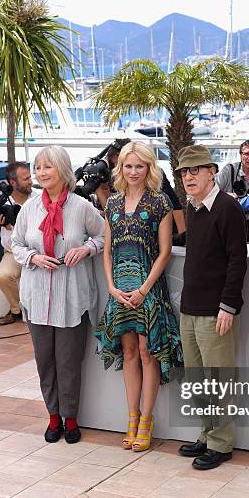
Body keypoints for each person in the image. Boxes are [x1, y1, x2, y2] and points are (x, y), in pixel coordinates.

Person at [11, 146, 105, 444]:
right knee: (45, 362)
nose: (41, 172)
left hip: (71, 298)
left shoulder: (81, 207)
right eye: (38, 167)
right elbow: (15, 244)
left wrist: (86, 248)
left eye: (47, 167)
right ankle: (53, 417)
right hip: (36, 295)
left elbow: (104, 235)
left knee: (68, 362)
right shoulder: (30, 208)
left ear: (63, 170)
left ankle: (72, 418)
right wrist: (33, 258)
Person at [95, 141, 183, 452]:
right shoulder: (113, 204)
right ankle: (131, 419)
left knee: (148, 353)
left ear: (149, 168)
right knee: (129, 352)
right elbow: (106, 251)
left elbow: (165, 252)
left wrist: (144, 289)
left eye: (140, 166)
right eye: (129, 166)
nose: (133, 171)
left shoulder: (159, 203)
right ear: (121, 169)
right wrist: (111, 286)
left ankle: (147, 420)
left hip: (148, 292)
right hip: (119, 291)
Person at [176, 145, 247, 470]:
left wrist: (228, 305)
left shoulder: (227, 208)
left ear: (211, 172)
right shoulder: (193, 207)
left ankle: (221, 443)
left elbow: (237, 261)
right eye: (183, 172)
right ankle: (206, 434)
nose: (188, 177)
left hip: (214, 310)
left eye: (194, 170)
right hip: (190, 307)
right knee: (198, 379)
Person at [92, 138, 186, 237]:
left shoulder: (157, 176)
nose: (133, 172)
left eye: (139, 166)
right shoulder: (118, 179)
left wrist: (182, 235)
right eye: (126, 166)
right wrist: (100, 190)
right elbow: (111, 213)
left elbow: (175, 204)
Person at [0, 162, 33, 325]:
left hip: (38, 249)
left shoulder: (39, 197)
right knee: (4, 275)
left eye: (30, 177)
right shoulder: (3, 203)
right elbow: (6, 242)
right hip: (14, 250)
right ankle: (16, 310)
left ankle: (34, 311)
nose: (31, 181)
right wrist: (8, 227)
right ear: (13, 182)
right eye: (26, 179)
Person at [216, 139, 249, 241]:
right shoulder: (229, 170)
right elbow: (211, 193)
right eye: (246, 154)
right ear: (240, 155)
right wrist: (226, 197)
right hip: (230, 221)